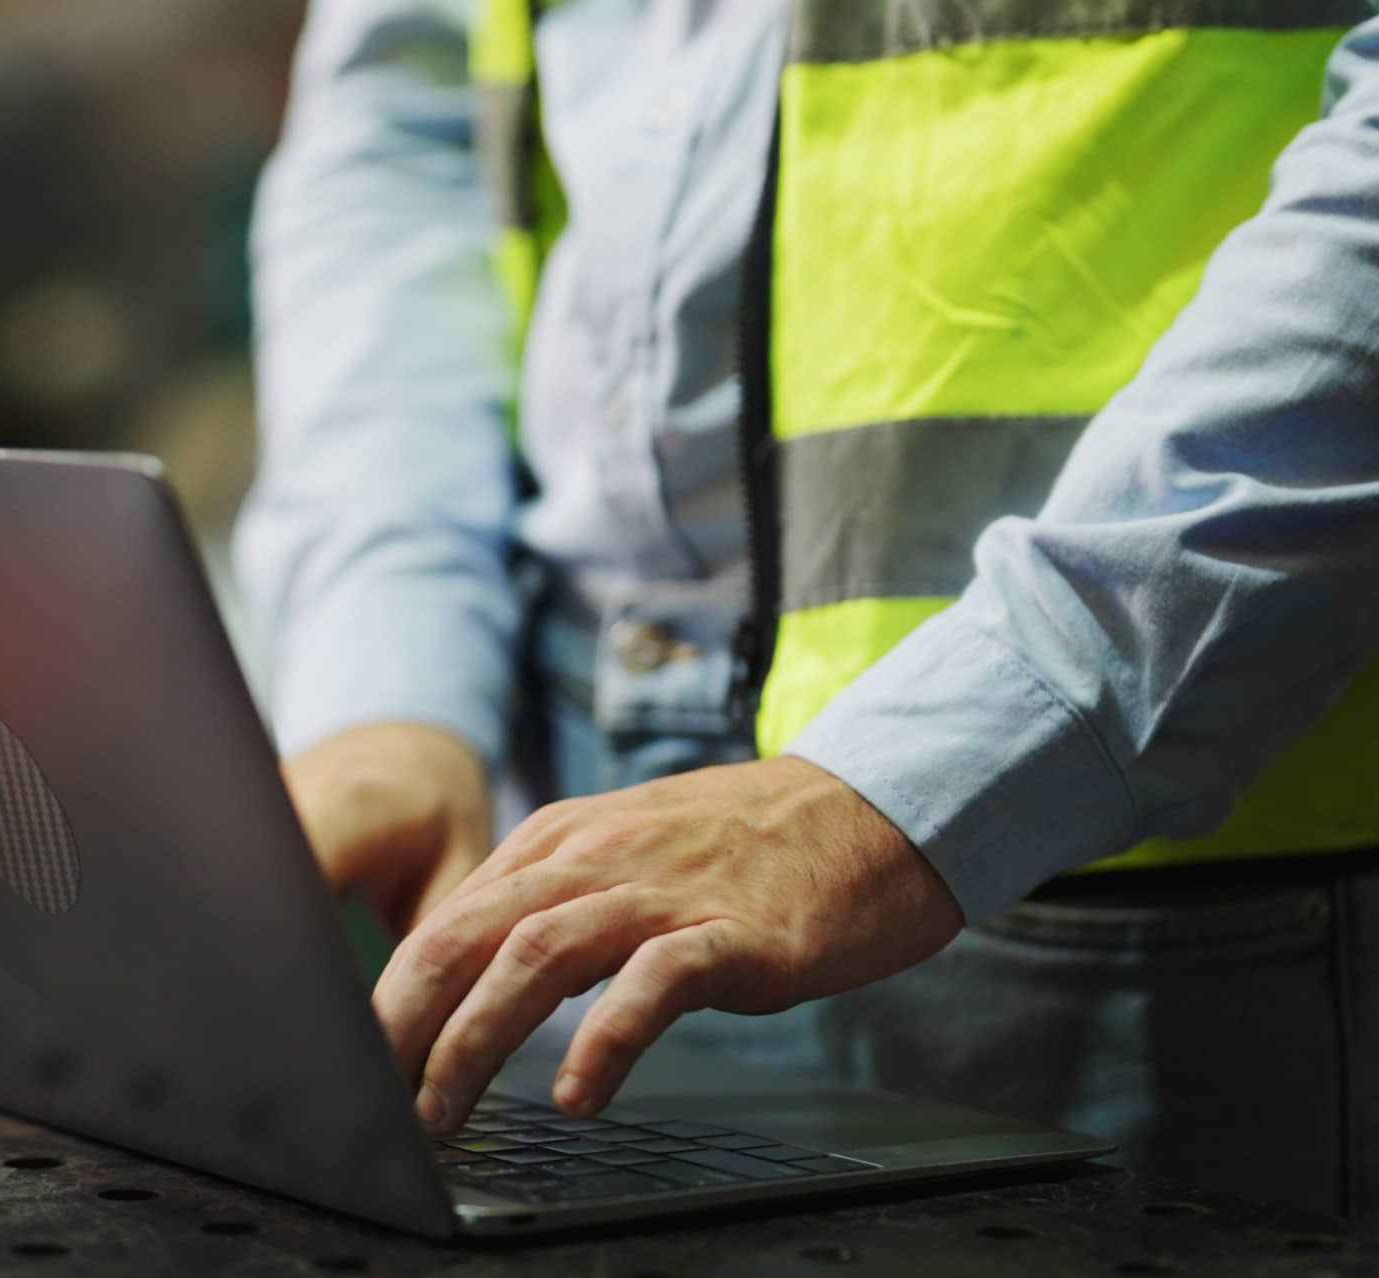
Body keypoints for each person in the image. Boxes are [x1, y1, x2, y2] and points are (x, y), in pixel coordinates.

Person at [237, 0, 1379, 1215]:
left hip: (1117, 869)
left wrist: (974, 740)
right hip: (543, 806)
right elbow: (404, 122)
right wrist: (390, 674)